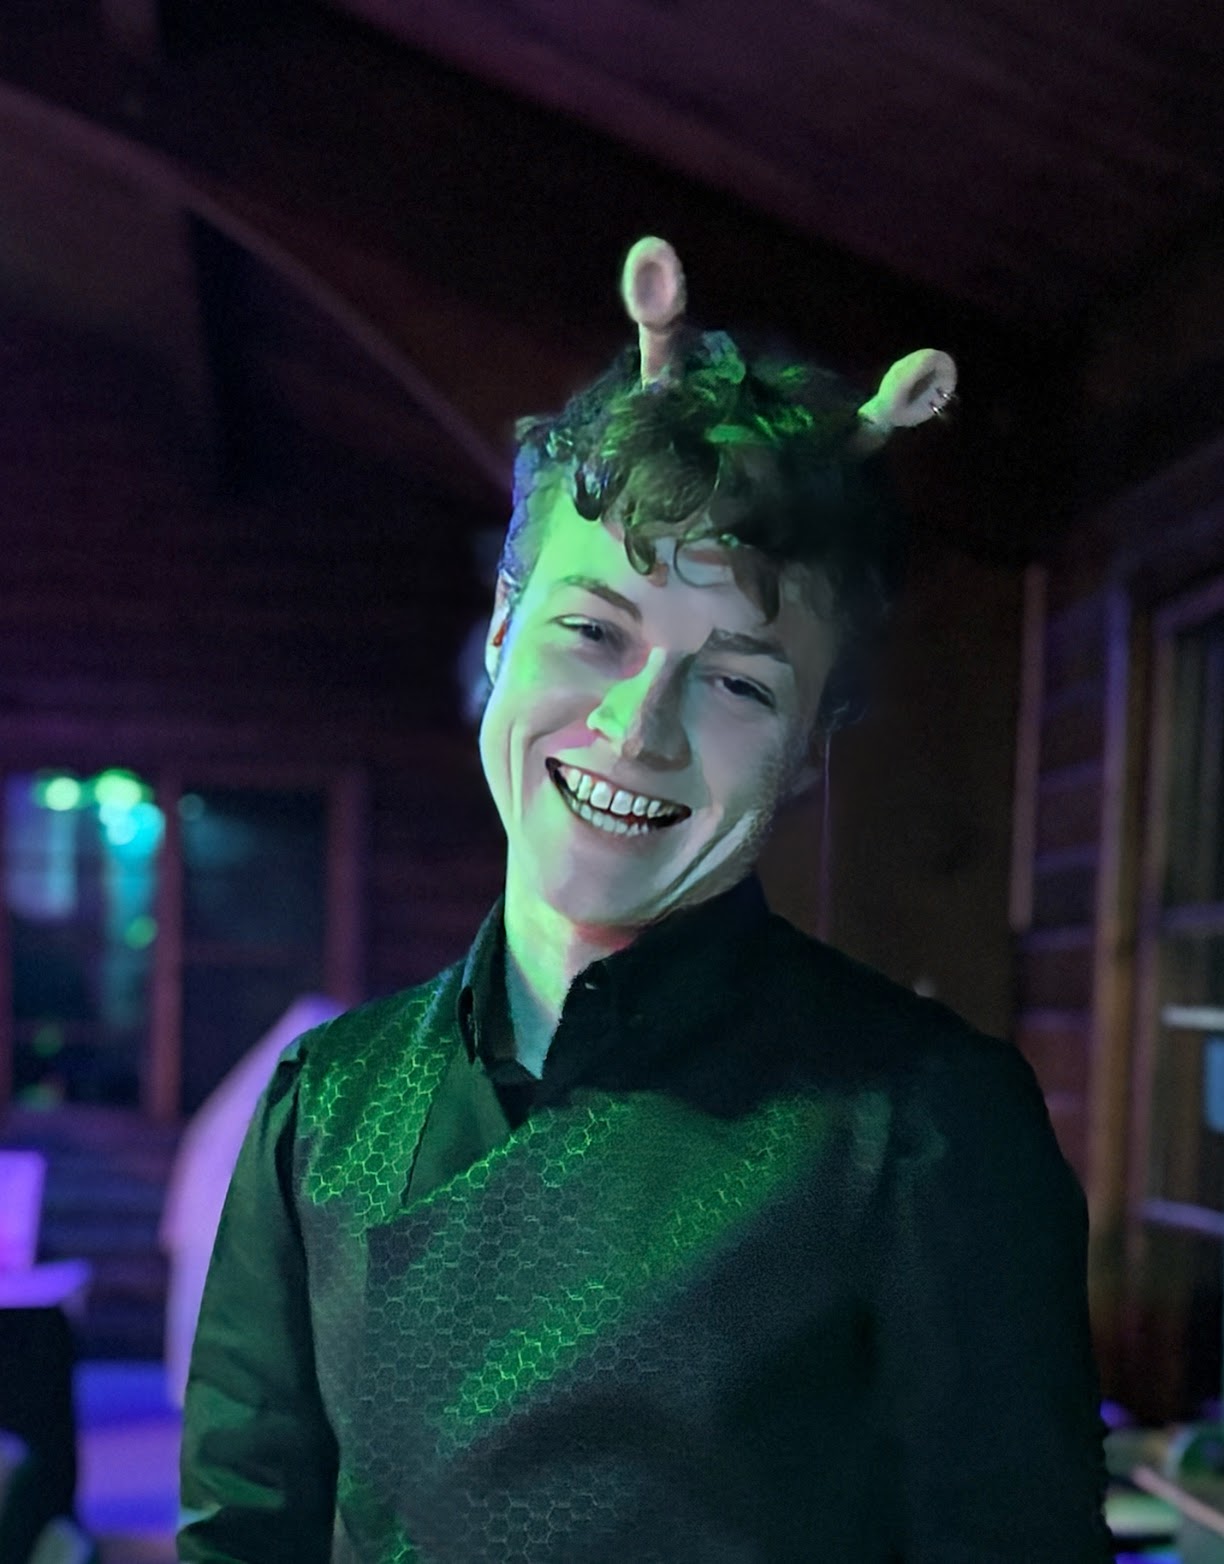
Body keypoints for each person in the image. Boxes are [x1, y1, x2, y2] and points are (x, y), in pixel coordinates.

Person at [178, 238, 1112, 1562]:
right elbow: (241, 1536)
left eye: (736, 682)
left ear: (811, 750)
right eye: (593, 631)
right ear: (503, 630)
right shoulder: (322, 1102)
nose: (637, 727)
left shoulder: (923, 1128)